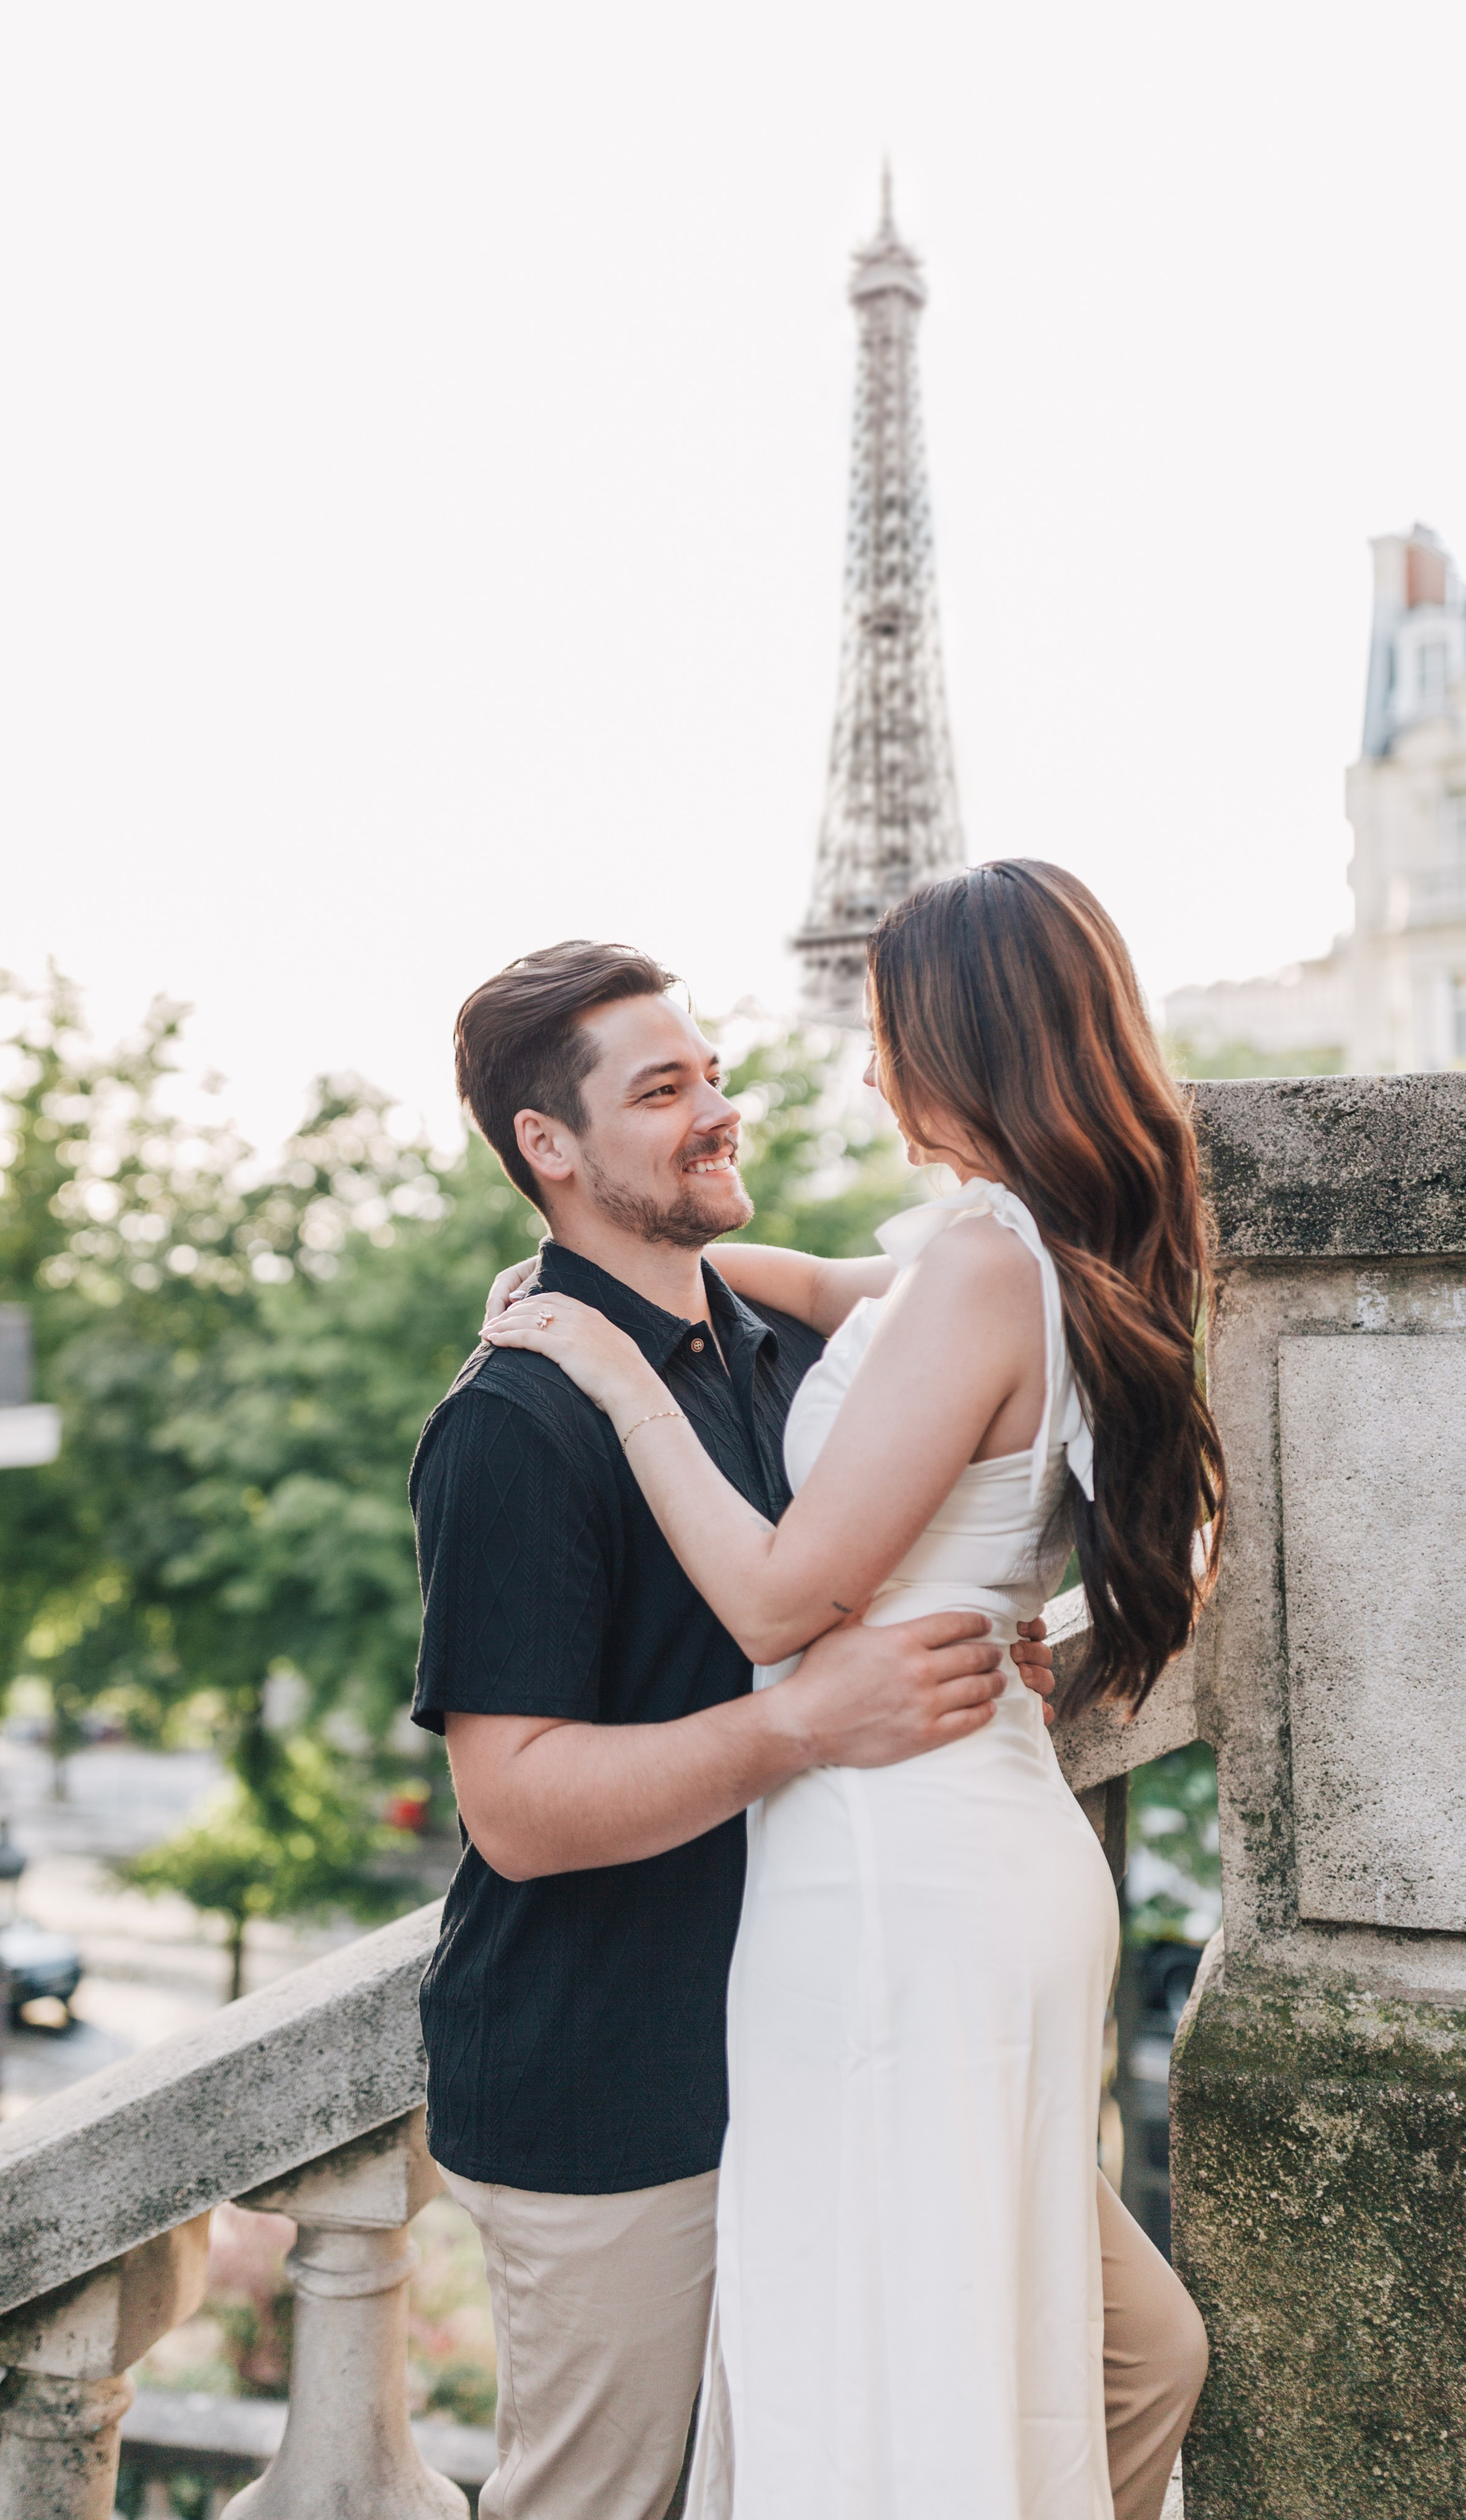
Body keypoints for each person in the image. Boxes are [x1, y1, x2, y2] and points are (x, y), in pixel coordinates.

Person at [480, 865, 1220, 2520]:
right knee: (970, 2337)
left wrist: (601, 1364)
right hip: (982, 1839)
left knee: (885, 2366)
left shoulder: (980, 1265)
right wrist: (636, 1285)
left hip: (895, 1866)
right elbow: (811, 1284)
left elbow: (770, 1595)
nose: (867, 1074)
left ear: (966, 1039)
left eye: (889, 1036)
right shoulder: (1026, 1247)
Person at [409, 939, 1058, 2520]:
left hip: (830, 2028)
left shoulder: (779, 1350)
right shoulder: (511, 1423)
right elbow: (514, 1808)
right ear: (545, 1150)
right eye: (662, 1089)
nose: (719, 1108)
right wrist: (803, 1728)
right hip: (609, 2069)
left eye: (709, 1073)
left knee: (1124, 2368)